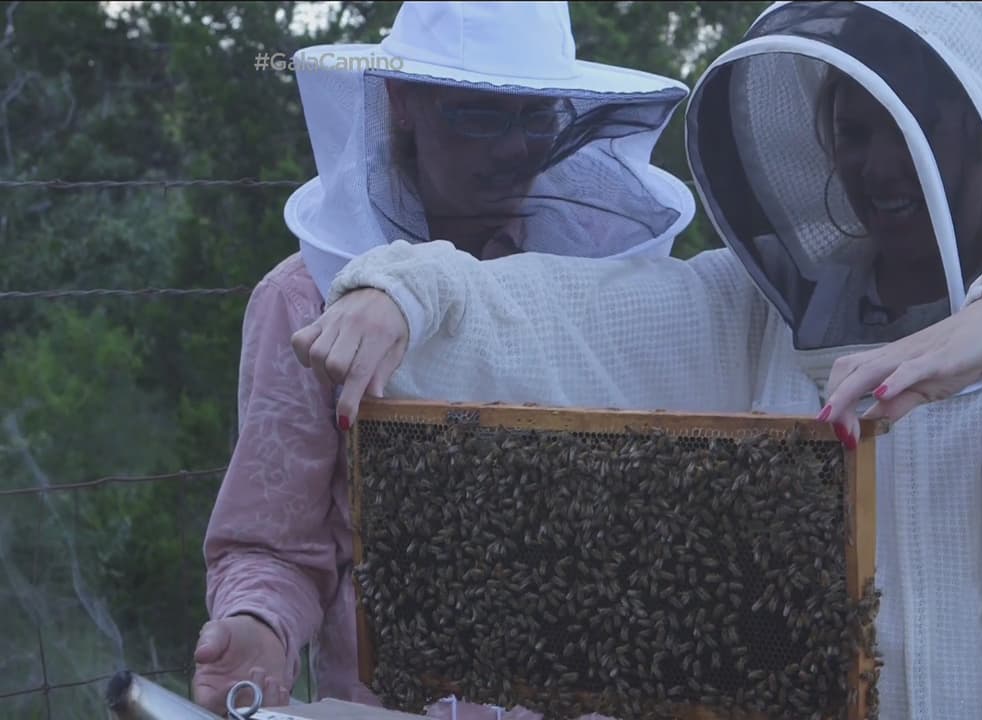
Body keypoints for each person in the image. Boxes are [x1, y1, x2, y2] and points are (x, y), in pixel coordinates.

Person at [295, 2, 982, 719]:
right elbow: (578, 318)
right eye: (852, 133)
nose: (877, 164)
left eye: (907, 125)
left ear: (979, 133)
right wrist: (411, 293)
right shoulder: (769, 317)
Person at [194, 1, 697, 714]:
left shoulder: (602, 274)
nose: (514, 149)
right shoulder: (305, 299)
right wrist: (257, 628)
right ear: (404, 102)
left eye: (537, 117)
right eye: (481, 116)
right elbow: (272, 546)